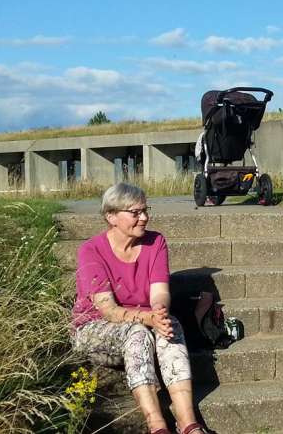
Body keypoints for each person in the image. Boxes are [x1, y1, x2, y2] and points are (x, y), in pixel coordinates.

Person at [71, 183, 205, 434]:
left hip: (144, 319)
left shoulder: (156, 243)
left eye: (145, 210)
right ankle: (156, 425)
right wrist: (148, 319)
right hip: (96, 327)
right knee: (138, 333)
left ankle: (188, 421)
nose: (144, 217)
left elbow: (160, 292)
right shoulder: (91, 250)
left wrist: (159, 312)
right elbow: (108, 309)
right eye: (135, 212)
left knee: (171, 326)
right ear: (111, 216)